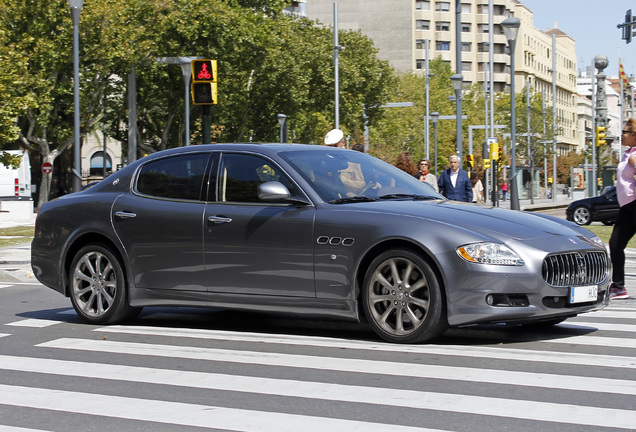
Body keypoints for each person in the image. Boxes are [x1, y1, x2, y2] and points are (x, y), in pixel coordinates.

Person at [608, 118, 636, 300]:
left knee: (616, 244)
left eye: (625, 132)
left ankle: (618, 286)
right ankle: (618, 287)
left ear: (634, 135)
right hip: (627, 207)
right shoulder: (628, 153)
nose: (622, 135)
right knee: (615, 244)